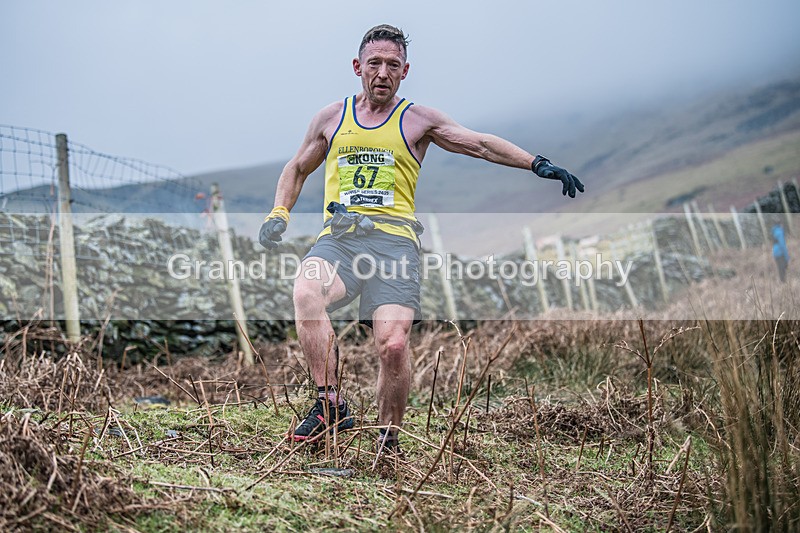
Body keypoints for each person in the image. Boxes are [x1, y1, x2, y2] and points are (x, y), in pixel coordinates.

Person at [259, 24, 584, 451]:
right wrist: (279, 212)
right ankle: (329, 405)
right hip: (341, 240)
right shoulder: (331, 118)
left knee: (393, 345)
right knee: (306, 290)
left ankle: (387, 441)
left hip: (395, 245)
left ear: (405, 71)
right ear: (357, 67)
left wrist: (537, 164)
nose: (382, 73)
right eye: (374, 63)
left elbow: (480, 144)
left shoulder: (418, 120)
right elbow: (298, 168)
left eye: (392, 65)